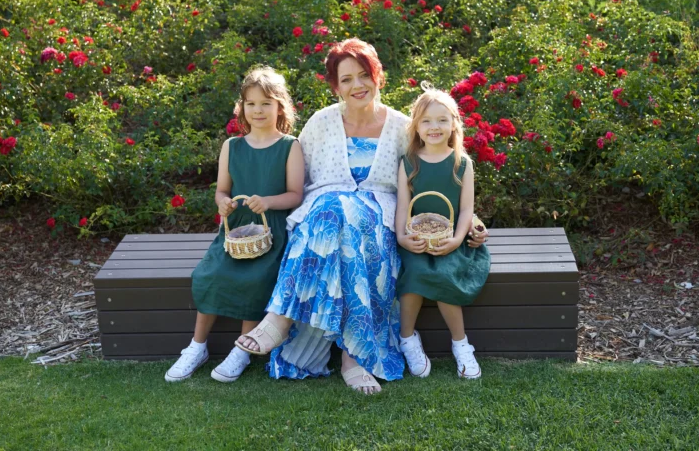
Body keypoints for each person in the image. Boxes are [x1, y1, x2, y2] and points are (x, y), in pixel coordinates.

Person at [236, 39, 488, 394]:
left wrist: (470, 217)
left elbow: (433, 173)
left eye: (363, 75)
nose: (357, 85)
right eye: (346, 79)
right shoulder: (321, 123)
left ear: (377, 76)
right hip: (323, 214)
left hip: (380, 216)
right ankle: (353, 357)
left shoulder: (402, 127)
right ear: (335, 86)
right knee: (333, 209)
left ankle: (280, 318)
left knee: (342, 213)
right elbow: (295, 178)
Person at [164, 66, 304, 382]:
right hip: (237, 228)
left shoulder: (289, 146)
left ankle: (241, 350)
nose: (258, 110)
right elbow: (221, 190)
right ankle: (196, 347)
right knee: (209, 274)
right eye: (251, 103)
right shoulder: (232, 146)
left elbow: (296, 194)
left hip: (272, 229)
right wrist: (223, 203)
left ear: (280, 106)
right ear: (241, 108)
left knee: (254, 279)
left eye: (266, 103)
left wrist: (268, 202)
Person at [395, 86, 490, 380]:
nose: (434, 127)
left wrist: (458, 239)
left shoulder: (462, 163)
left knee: (445, 272)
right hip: (416, 238)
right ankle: (407, 338)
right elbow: (402, 207)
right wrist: (402, 238)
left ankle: (461, 344)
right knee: (412, 273)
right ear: (416, 127)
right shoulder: (409, 163)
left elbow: (465, 210)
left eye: (441, 120)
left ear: (453, 124)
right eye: (426, 121)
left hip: (452, 238)